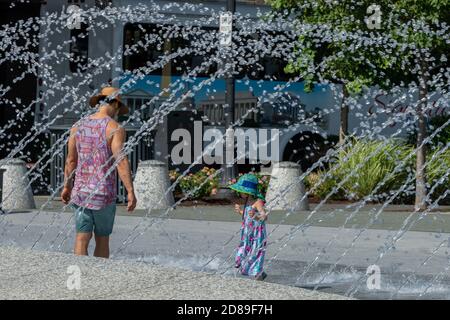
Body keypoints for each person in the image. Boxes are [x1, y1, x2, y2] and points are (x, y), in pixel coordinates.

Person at [61, 86, 137, 258]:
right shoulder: (115, 128)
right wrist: (130, 191)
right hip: (104, 194)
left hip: (80, 192)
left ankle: (79, 276)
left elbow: (70, 160)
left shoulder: (78, 126)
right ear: (116, 104)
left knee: (81, 238)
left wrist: (67, 186)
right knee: (102, 239)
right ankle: (98, 279)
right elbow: (120, 160)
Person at [229, 173, 268, 280]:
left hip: (257, 233)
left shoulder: (257, 202)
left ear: (248, 191)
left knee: (255, 251)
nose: (240, 193)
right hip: (247, 231)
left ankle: (258, 273)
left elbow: (264, 216)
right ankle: (242, 264)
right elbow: (247, 215)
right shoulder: (247, 201)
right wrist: (240, 211)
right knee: (244, 246)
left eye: (241, 191)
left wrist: (256, 216)